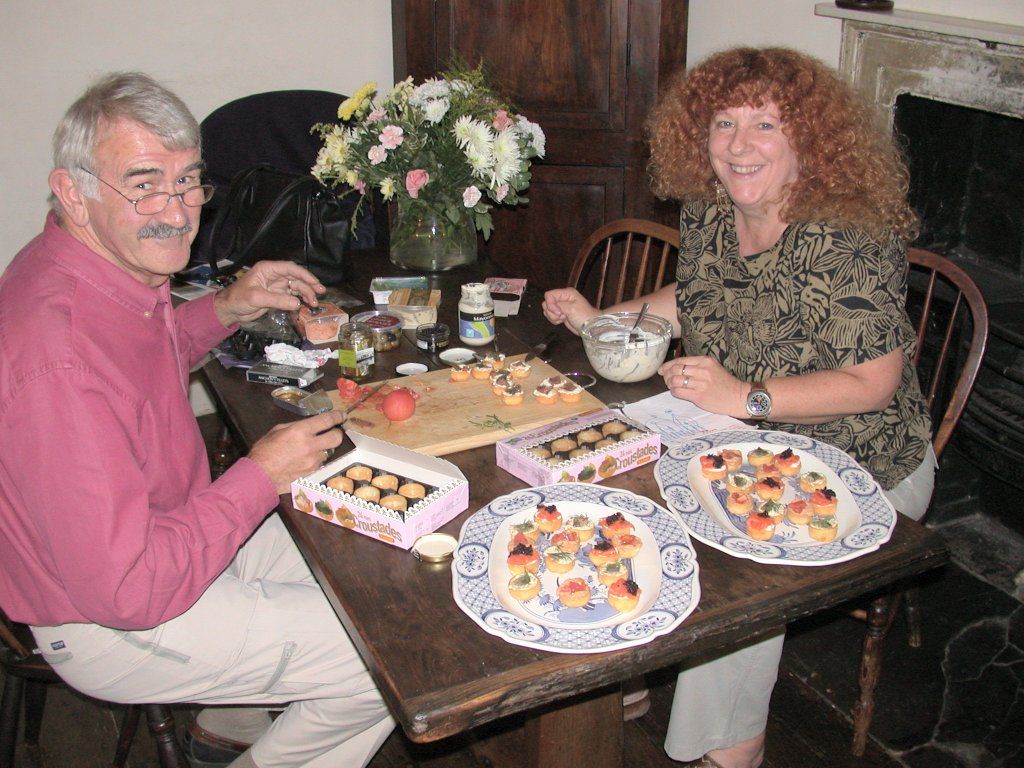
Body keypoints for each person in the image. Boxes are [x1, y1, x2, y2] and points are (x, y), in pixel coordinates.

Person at [543, 47, 935, 767]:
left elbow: (872, 383)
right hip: (740, 433)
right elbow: (687, 301)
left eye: (766, 125)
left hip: (864, 457)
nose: (739, 145)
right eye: (724, 123)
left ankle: (730, 749)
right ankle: (624, 666)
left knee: (737, 569)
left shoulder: (846, 237)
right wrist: (605, 319)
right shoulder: (712, 212)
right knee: (610, 477)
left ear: (809, 140)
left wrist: (744, 398)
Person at [0, 72, 394, 768]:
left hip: (169, 527)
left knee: (372, 560)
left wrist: (226, 307)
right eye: (146, 183)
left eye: (189, 182)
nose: (179, 212)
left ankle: (230, 721)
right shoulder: (55, 357)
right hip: (109, 614)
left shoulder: (95, 271)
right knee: (387, 659)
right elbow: (127, 586)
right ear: (74, 192)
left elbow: (135, 370)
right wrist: (257, 476)